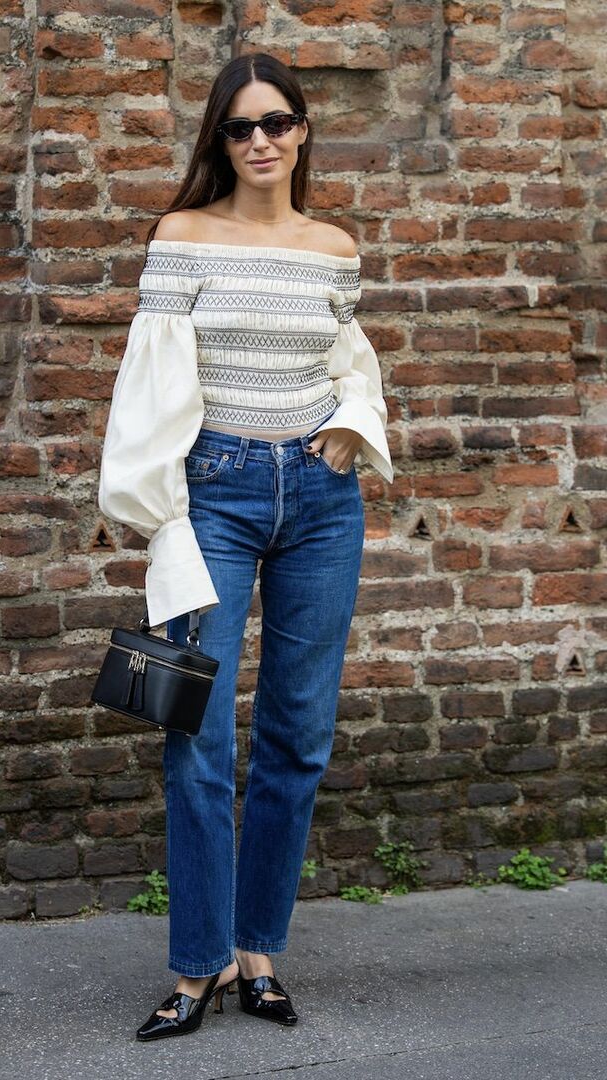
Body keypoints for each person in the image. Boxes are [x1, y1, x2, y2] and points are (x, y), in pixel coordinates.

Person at [97, 52, 394, 1042]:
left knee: (299, 735)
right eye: (239, 126)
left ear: (303, 131)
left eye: (277, 122)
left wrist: (354, 421)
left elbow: (350, 361)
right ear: (219, 141)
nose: (260, 140)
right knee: (196, 731)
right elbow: (147, 384)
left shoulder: (333, 247)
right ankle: (200, 962)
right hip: (214, 494)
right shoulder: (183, 236)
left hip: (322, 500)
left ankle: (258, 950)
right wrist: (158, 513)